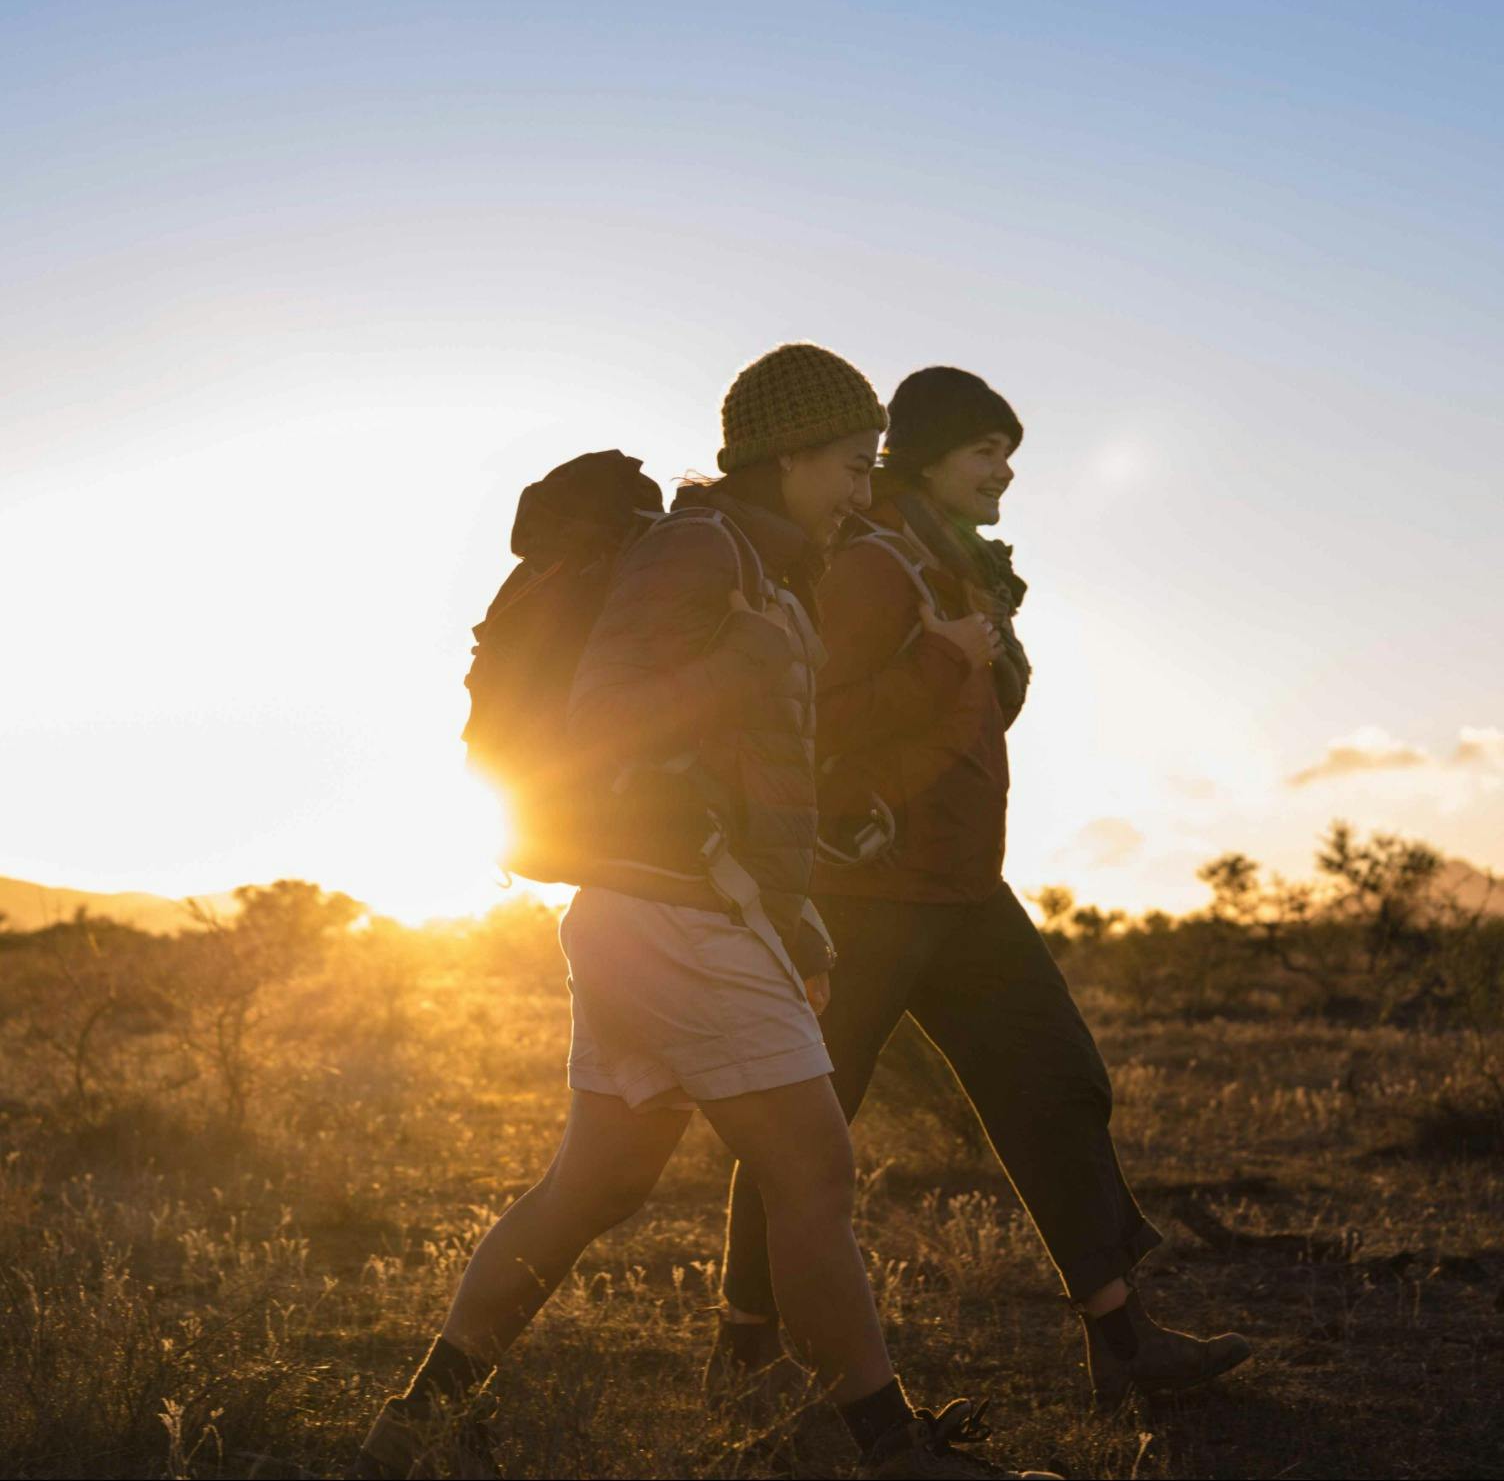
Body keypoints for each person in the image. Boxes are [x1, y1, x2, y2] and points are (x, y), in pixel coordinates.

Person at [350, 346, 1054, 1480]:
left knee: (599, 1183)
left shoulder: (764, 570)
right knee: (813, 1183)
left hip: (659, 917)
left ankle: (416, 1425)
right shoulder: (697, 554)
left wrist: (799, 923)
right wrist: (732, 686)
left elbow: (769, 773)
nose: (863, 493)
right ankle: (892, 1455)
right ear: (782, 457)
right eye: (847, 465)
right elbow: (609, 720)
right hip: (677, 916)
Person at [710, 365, 1251, 1415]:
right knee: (806, 1119)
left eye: (1009, 452)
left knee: (1054, 1084)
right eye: (984, 451)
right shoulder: (871, 566)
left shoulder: (950, 567)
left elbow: (967, 715)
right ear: (927, 458)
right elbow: (814, 718)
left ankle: (1122, 1339)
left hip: (959, 892)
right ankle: (745, 1346)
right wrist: (946, 659)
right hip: (862, 892)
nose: (1003, 471)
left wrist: (982, 642)